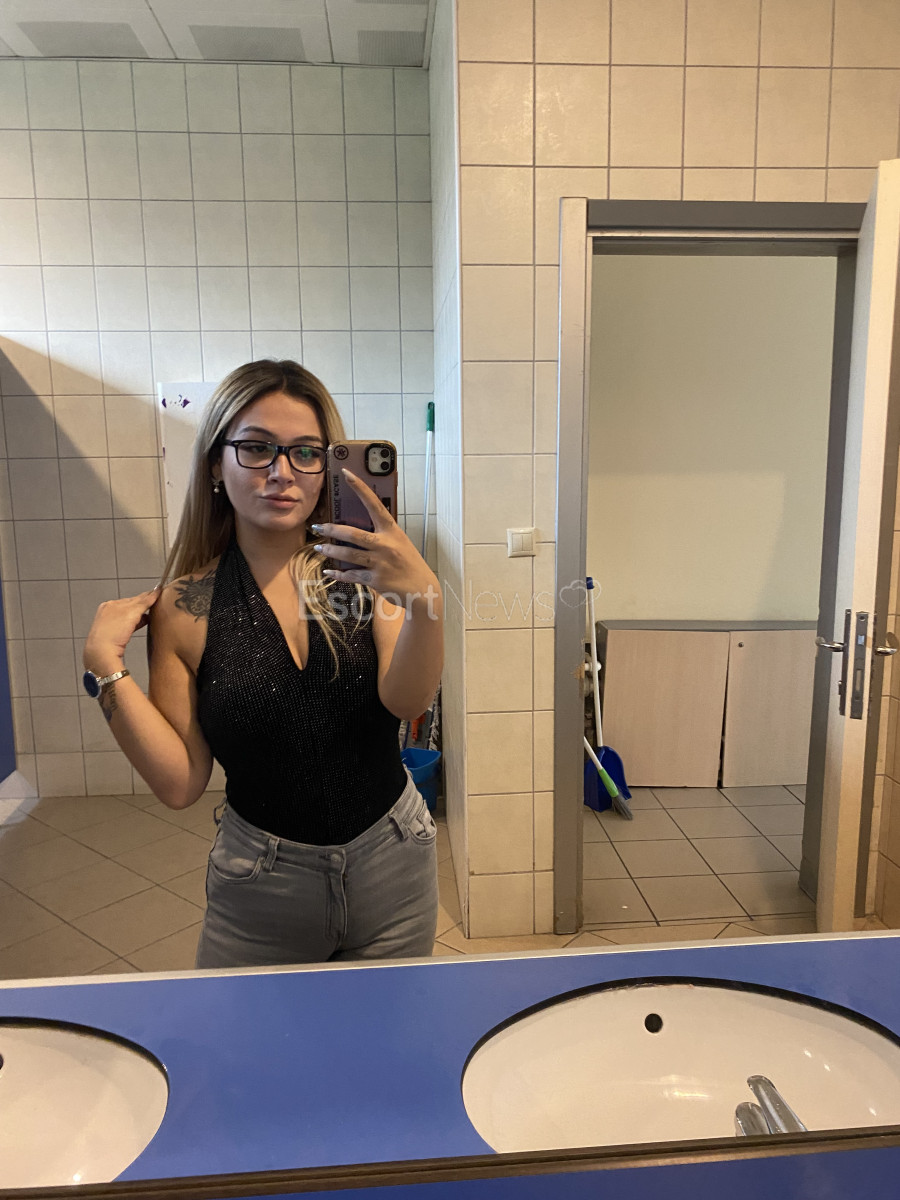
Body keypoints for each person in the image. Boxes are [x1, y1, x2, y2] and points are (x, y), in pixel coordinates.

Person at [82, 359, 443, 968]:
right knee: (244, 1032)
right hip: (260, 885)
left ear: (328, 467)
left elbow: (407, 702)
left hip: (394, 862)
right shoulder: (185, 608)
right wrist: (103, 666)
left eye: (306, 453)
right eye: (256, 448)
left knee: (389, 1027)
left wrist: (426, 603)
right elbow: (180, 782)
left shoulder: (363, 577)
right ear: (215, 465)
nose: (282, 473)